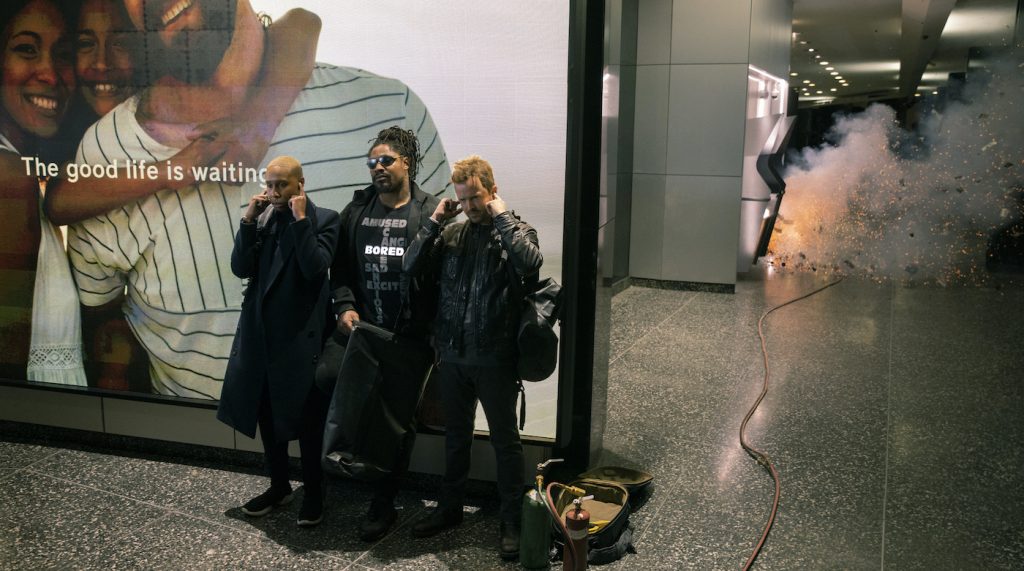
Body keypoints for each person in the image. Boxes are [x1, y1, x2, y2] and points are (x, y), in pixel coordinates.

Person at [60, 0, 449, 398]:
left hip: (360, 441)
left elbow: (447, 297)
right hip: (200, 438)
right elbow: (100, 312)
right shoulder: (104, 150)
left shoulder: (388, 109)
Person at [403, 155, 542, 560]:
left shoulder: (515, 229)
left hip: (495, 358)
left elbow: (530, 263)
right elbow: (410, 266)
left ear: (492, 191)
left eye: (475, 198)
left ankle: (511, 519)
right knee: (455, 438)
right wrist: (435, 221)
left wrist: (500, 216)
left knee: (505, 442)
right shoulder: (452, 234)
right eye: (463, 200)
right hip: (453, 356)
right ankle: (449, 509)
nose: (469, 207)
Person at [328, 125, 440, 542]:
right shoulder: (357, 210)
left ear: (406, 163)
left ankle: (383, 500)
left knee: (398, 421)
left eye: (386, 160)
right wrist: (345, 305)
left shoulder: (429, 211)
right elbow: (338, 269)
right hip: (362, 333)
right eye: (372, 162)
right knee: (326, 382)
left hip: (408, 338)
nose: (378, 168)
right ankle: (339, 476)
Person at [216, 155, 339, 527]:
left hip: (301, 338)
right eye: (268, 184)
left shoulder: (325, 219)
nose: (272, 192)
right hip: (263, 335)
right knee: (267, 416)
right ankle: (279, 484)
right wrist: (248, 220)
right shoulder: (264, 220)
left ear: (300, 184)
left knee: (307, 421)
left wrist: (301, 220)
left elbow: (314, 267)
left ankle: (314, 493)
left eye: (280, 185)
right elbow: (241, 267)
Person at [0, 0, 85, 383]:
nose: (50, 73)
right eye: (26, 49)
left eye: (63, 54)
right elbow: (9, 361)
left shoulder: (21, 169)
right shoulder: (11, 176)